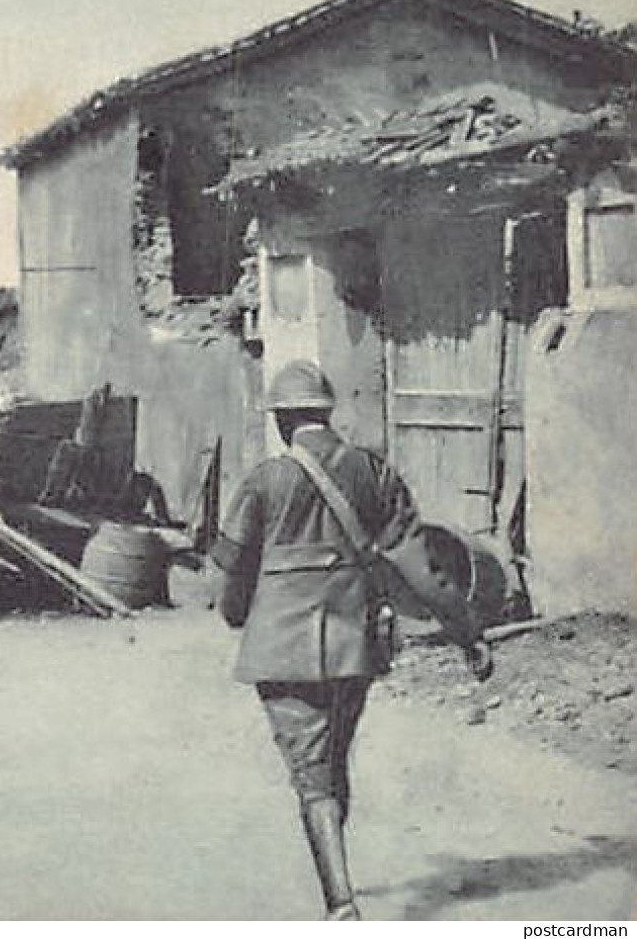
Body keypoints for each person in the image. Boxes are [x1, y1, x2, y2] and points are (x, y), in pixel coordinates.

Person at [208, 359, 493, 920]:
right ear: (326, 413)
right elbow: (424, 567)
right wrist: (468, 635)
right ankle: (337, 888)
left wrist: (237, 614)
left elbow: (233, 572)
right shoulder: (373, 473)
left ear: (283, 420)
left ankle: (341, 907)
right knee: (333, 760)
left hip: (281, 648)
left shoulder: (264, 480)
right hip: (352, 644)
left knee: (311, 774)